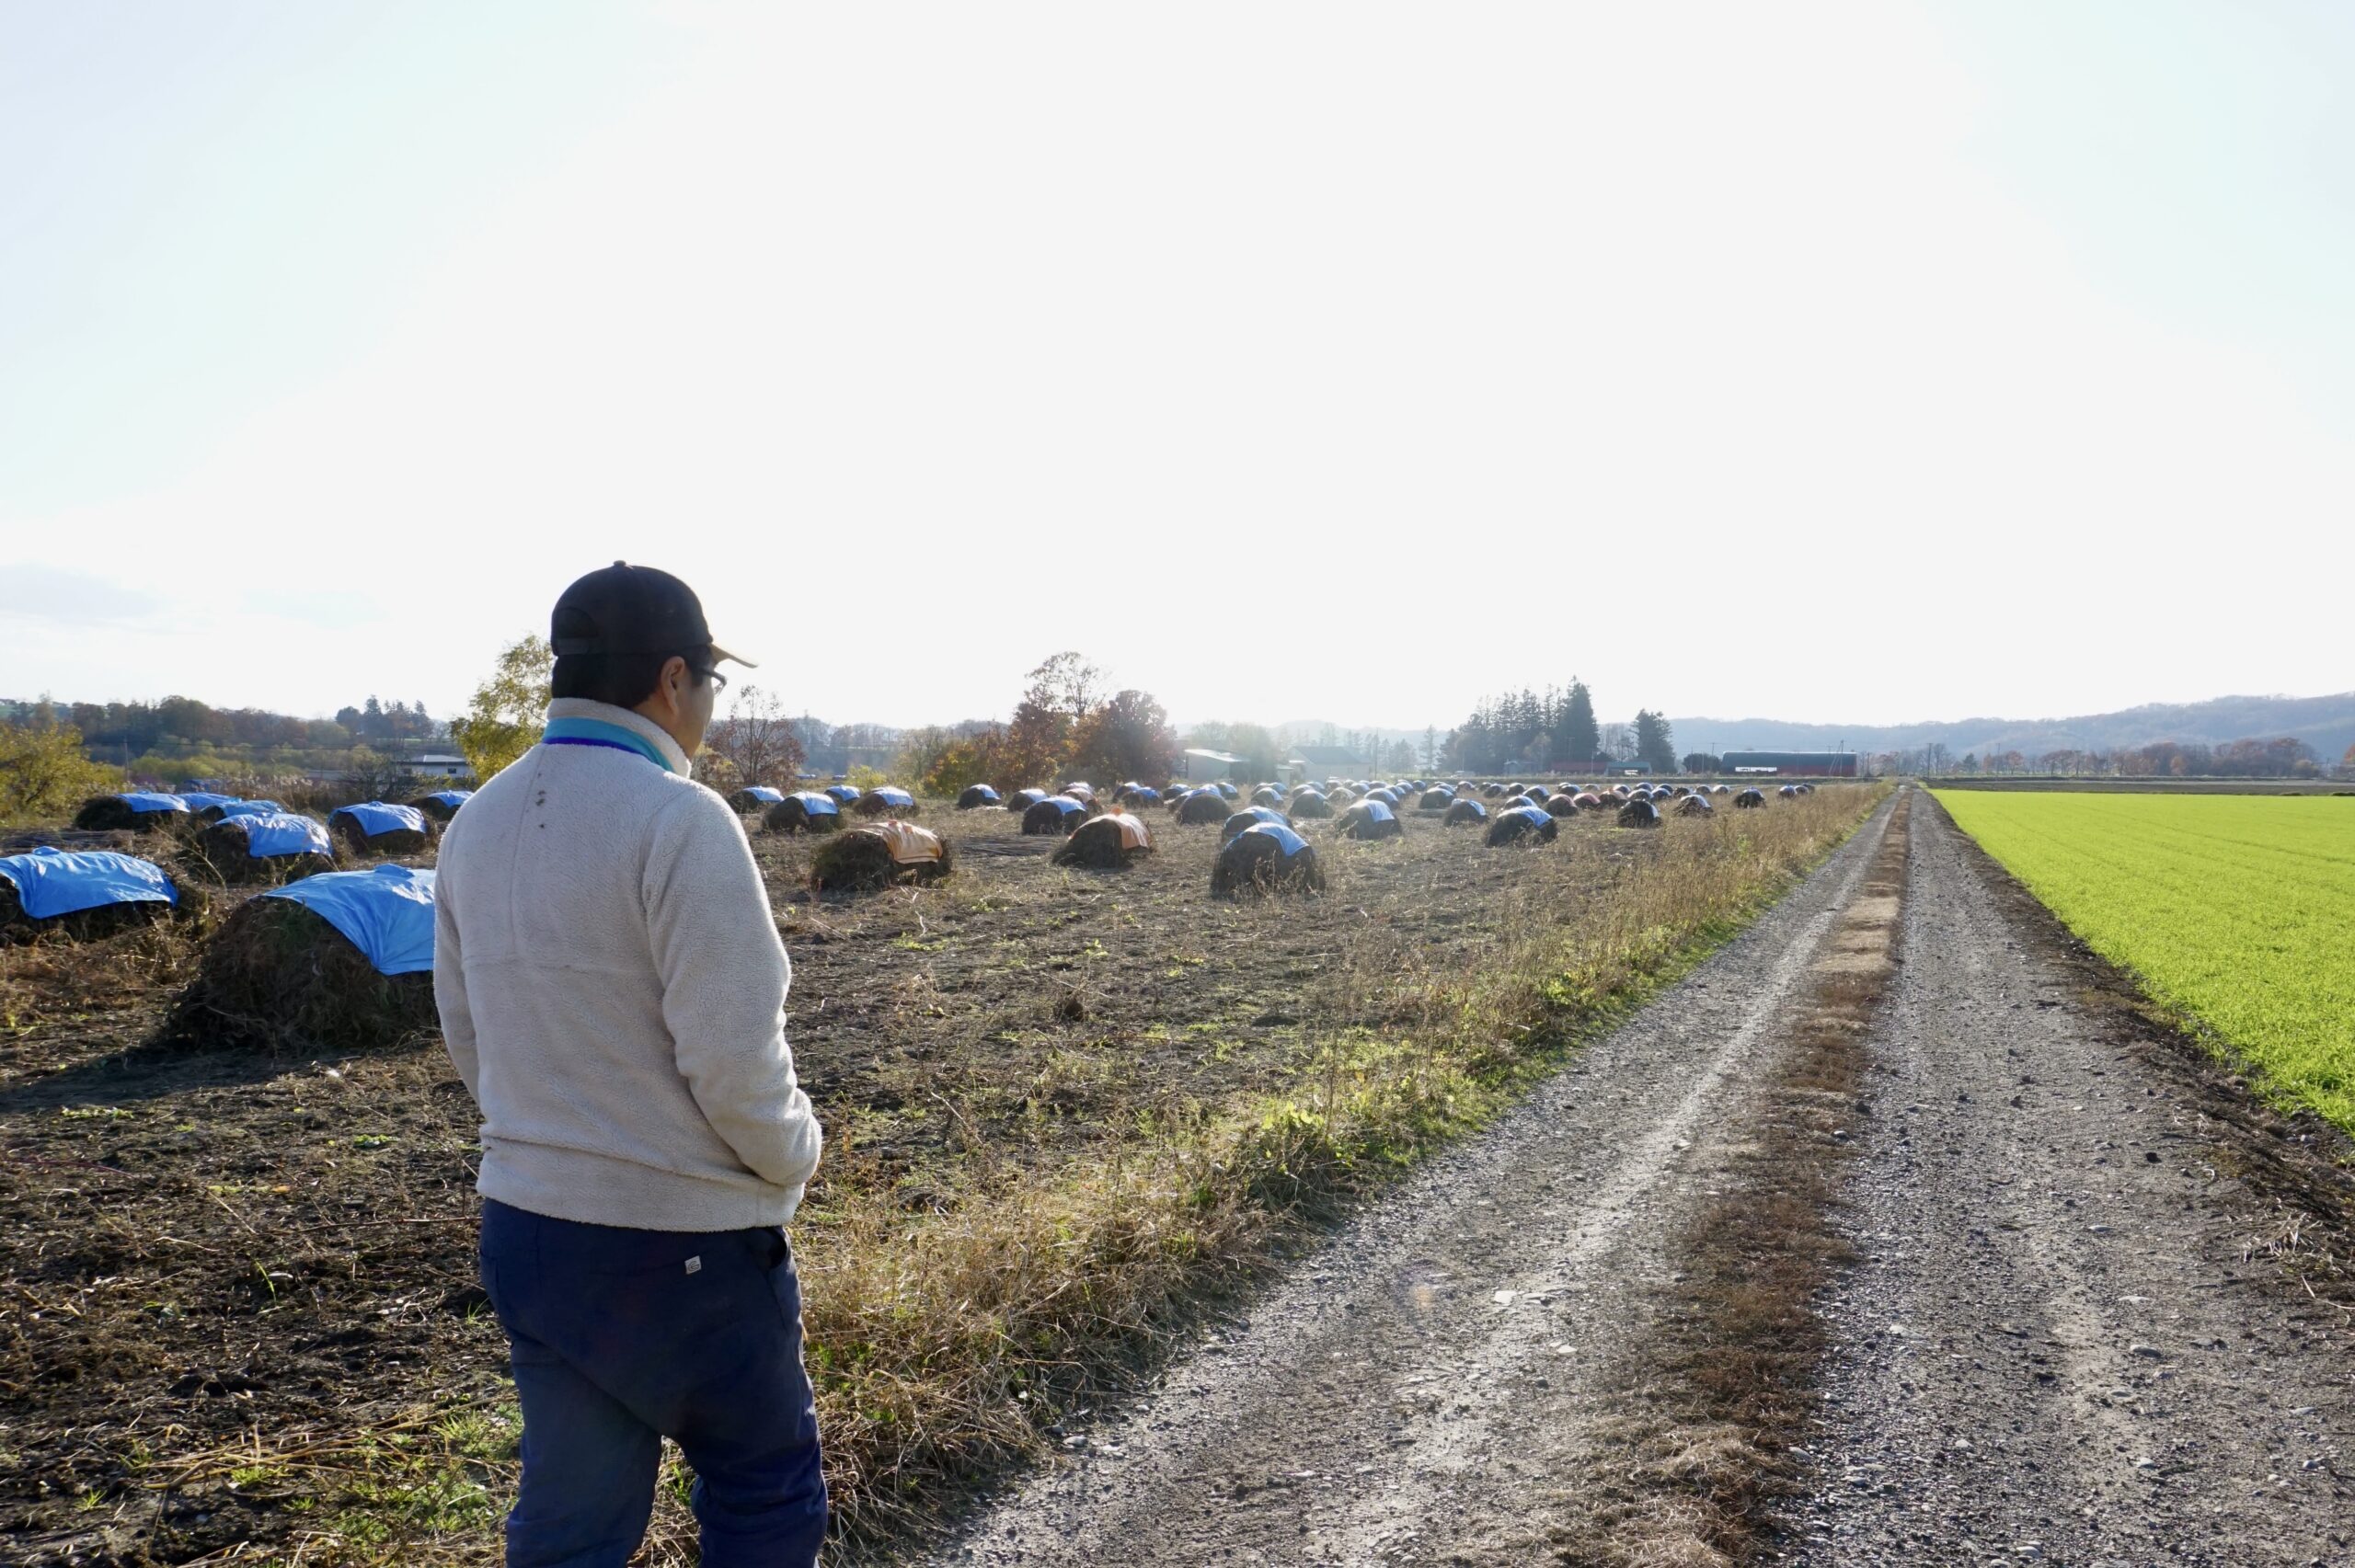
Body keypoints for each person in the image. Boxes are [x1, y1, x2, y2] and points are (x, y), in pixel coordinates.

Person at [433, 562, 827, 1566]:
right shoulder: (679, 819)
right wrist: (793, 1157)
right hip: (682, 1248)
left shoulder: (475, 821)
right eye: (712, 684)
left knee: (570, 1530)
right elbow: (735, 1060)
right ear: (671, 680)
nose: (709, 706)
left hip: (530, 1232)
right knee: (762, 1491)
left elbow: (469, 1034)